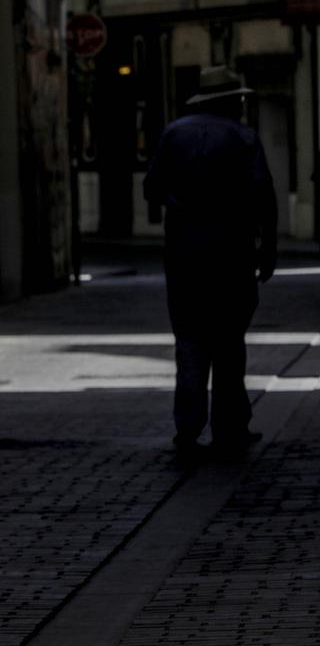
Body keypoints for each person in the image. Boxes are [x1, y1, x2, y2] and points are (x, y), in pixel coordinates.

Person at [144, 65, 278, 457]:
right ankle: (229, 426)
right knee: (229, 343)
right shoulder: (244, 137)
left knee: (188, 341)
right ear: (230, 101)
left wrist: (179, 204)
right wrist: (267, 251)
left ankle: (188, 425)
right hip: (231, 255)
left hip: (184, 256)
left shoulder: (173, 133)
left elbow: (152, 187)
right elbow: (264, 199)